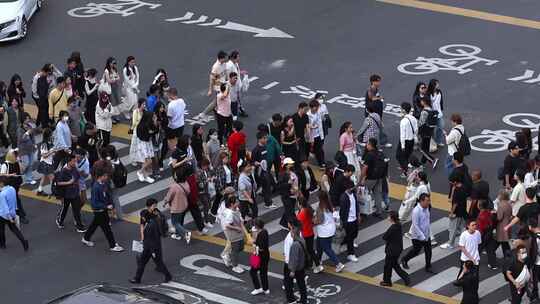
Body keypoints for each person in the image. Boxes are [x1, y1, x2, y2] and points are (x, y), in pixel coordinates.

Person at [130, 198, 172, 284]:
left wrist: (152, 250)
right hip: (150, 245)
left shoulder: (151, 225)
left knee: (158, 262)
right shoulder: (150, 219)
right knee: (144, 262)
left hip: (152, 246)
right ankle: (137, 278)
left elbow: (153, 238)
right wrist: (143, 238)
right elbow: (143, 226)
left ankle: (168, 275)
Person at [82, 169, 124, 252]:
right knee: (107, 229)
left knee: (95, 224)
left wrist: (111, 204)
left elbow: (107, 195)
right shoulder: (96, 187)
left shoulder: (103, 184)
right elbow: (94, 203)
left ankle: (86, 238)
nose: (107, 177)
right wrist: (106, 206)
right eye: (105, 176)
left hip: (103, 209)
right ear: (100, 177)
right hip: (99, 210)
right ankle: (112, 245)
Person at [401, 193, 435, 274]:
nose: (429, 202)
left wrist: (427, 234)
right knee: (416, 251)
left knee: (428, 250)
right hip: (417, 236)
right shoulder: (416, 211)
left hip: (426, 234)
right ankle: (404, 259)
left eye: (429, 200)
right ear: (421, 201)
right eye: (427, 201)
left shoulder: (427, 207)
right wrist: (422, 237)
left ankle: (428, 266)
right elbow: (415, 225)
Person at [314, 192, 345, 272]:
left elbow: (320, 221)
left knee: (327, 249)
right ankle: (318, 262)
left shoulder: (320, 208)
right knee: (319, 246)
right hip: (331, 229)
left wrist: (313, 221)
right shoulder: (329, 204)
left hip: (324, 232)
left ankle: (338, 264)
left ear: (320, 198)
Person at [55, 154, 86, 232]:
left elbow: (78, 178)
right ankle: (59, 221)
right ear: (69, 162)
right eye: (74, 161)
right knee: (65, 209)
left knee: (77, 209)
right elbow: (58, 183)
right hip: (67, 194)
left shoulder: (75, 168)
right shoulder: (63, 171)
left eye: (75, 161)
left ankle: (79, 226)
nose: (75, 163)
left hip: (75, 193)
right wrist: (69, 182)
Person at [195, 50, 228, 122]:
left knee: (219, 101)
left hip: (224, 85)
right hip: (218, 87)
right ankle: (203, 113)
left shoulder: (224, 64)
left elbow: (225, 74)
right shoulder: (215, 67)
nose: (227, 59)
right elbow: (212, 78)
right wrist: (210, 89)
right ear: (221, 58)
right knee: (216, 101)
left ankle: (215, 111)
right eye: (225, 58)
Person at [380, 211, 410, 287]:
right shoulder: (398, 225)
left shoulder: (392, 228)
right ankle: (406, 277)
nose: (387, 217)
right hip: (398, 249)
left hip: (391, 250)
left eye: (389, 216)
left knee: (387, 266)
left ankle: (387, 281)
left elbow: (385, 237)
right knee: (394, 265)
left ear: (392, 218)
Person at [360, 138, 387, 217]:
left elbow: (364, 168)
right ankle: (379, 211)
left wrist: (361, 179)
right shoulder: (379, 153)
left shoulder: (369, 155)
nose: (366, 145)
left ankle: (363, 211)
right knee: (377, 194)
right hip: (380, 177)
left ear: (370, 145)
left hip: (371, 178)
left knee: (363, 194)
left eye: (367, 144)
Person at [0, 176, 28, 251]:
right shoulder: (12, 189)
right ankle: (24, 241)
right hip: (12, 213)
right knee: (15, 229)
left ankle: (2, 244)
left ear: (2, 183)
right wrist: (15, 211)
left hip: (3, 215)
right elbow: (15, 200)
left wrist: (9, 218)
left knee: (1, 230)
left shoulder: (2, 194)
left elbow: (5, 208)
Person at [440, 174, 468, 250]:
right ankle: (465, 243)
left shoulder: (457, 190)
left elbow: (454, 203)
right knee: (463, 227)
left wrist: (451, 213)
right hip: (463, 211)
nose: (450, 183)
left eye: (451, 182)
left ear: (455, 182)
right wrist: (453, 189)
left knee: (453, 228)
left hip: (457, 213)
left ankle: (450, 244)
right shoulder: (463, 187)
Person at [283, 218, 308, 304]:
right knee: (301, 283)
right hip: (301, 266)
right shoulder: (300, 236)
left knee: (288, 283)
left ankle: (291, 300)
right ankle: (304, 299)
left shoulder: (294, 243)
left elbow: (294, 258)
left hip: (291, 265)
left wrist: (292, 270)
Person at [164, 167, 192, 243]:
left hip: (176, 208)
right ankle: (177, 234)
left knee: (175, 223)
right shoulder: (186, 183)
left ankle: (186, 233)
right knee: (180, 221)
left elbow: (168, 197)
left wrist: (165, 202)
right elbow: (188, 192)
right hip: (184, 205)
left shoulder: (174, 186)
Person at [0, 150, 27, 224]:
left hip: (16, 184)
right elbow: (1, 175)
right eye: (15, 156)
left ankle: (14, 214)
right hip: (9, 186)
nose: (16, 157)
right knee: (16, 200)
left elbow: (23, 170)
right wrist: (11, 175)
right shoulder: (5, 165)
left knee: (14, 200)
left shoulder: (16, 163)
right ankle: (21, 215)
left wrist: (19, 162)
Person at [364, 74, 391, 148]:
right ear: (373, 82)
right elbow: (372, 98)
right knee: (372, 129)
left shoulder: (376, 88)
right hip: (371, 113)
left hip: (377, 111)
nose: (379, 83)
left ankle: (382, 142)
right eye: (378, 81)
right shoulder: (370, 89)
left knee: (379, 127)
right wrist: (379, 98)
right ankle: (371, 144)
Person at [297, 197, 322, 273]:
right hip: (310, 232)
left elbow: (297, 223)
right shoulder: (308, 210)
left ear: (300, 204)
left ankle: (317, 265)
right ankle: (311, 264)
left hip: (305, 234)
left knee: (309, 250)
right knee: (310, 249)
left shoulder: (302, 213)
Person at [251, 130, 274, 208]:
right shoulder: (255, 150)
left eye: (266, 138)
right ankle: (268, 203)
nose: (266, 140)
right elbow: (252, 162)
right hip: (260, 171)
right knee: (267, 186)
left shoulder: (265, 147)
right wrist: (258, 163)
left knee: (267, 186)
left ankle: (266, 199)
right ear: (259, 139)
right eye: (264, 138)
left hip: (266, 169)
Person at [223, 195, 245, 274]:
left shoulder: (236, 209)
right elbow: (227, 225)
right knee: (236, 249)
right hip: (234, 234)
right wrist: (237, 228)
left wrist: (241, 221)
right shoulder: (230, 213)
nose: (238, 203)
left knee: (241, 247)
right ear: (232, 204)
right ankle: (235, 266)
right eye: (237, 202)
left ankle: (229, 254)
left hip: (239, 232)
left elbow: (239, 217)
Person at [339, 179, 360, 262]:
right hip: (348, 220)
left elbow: (356, 205)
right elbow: (342, 211)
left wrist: (358, 214)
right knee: (351, 237)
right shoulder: (343, 197)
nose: (352, 189)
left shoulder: (353, 195)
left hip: (354, 218)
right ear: (347, 188)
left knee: (355, 233)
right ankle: (350, 254)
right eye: (351, 187)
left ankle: (344, 242)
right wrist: (344, 221)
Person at [135, 111, 158, 184]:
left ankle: (145, 176)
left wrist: (155, 123)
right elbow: (144, 136)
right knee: (149, 161)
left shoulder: (149, 124)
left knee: (146, 161)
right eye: (153, 117)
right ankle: (140, 172)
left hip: (147, 143)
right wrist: (150, 133)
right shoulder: (142, 126)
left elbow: (155, 131)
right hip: (143, 144)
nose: (154, 118)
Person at [397, 102, 418, 178]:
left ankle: (406, 171)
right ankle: (405, 167)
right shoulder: (413, 118)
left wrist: (402, 146)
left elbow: (402, 135)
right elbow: (416, 130)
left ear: (404, 110)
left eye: (401, 109)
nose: (400, 110)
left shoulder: (403, 121)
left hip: (405, 141)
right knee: (407, 155)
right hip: (411, 140)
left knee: (399, 156)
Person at [250, 219, 270, 295]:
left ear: (257, 226)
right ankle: (266, 289)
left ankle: (258, 288)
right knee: (263, 272)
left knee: (252, 271)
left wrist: (254, 243)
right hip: (266, 255)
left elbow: (260, 247)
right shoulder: (265, 231)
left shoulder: (260, 234)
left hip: (259, 256)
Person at [418, 97, 439, 168]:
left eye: (421, 101)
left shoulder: (424, 112)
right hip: (430, 131)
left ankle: (433, 160)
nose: (421, 102)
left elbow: (421, 122)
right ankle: (422, 162)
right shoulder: (431, 109)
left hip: (424, 131)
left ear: (424, 102)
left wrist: (417, 131)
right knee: (426, 147)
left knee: (422, 149)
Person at [279, 158, 299, 228]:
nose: (292, 164)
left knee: (289, 209)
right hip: (287, 195)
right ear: (286, 165)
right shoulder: (282, 174)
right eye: (290, 163)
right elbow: (280, 186)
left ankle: (283, 222)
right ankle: (292, 224)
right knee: (290, 210)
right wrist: (288, 183)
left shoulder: (292, 172)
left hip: (293, 194)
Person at [476, 201, 498, 269]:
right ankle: (493, 264)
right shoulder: (489, 213)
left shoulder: (480, 216)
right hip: (490, 232)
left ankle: (475, 261)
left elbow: (480, 228)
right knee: (490, 249)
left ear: (480, 206)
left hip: (483, 234)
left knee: (478, 248)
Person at [17, 112, 37, 185]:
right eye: (26, 119)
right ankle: (21, 174)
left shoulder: (30, 127)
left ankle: (29, 178)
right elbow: (20, 139)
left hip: (30, 148)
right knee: (26, 164)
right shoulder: (20, 129)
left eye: (28, 118)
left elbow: (33, 137)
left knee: (31, 163)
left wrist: (34, 143)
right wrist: (27, 133)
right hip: (23, 150)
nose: (28, 120)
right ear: (23, 120)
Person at [307, 99, 326, 167]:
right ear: (312, 107)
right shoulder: (308, 115)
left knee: (320, 150)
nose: (318, 108)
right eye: (316, 107)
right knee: (315, 150)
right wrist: (313, 127)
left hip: (319, 134)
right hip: (312, 136)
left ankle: (322, 163)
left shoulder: (318, 112)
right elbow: (308, 127)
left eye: (318, 107)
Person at [36, 128, 55, 196]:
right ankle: (55, 191)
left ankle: (39, 190)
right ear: (49, 135)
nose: (52, 135)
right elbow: (44, 155)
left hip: (48, 162)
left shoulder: (49, 142)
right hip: (46, 163)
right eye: (51, 134)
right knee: (53, 178)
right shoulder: (44, 144)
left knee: (44, 177)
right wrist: (51, 151)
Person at [103, 57, 122, 123]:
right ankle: (111, 117)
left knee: (116, 101)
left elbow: (118, 77)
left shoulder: (114, 69)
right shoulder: (106, 71)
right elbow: (108, 81)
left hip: (115, 87)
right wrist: (115, 79)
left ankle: (115, 115)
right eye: (112, 63)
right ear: (109, 63)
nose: (113, 64)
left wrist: (114, 79)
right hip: (109, 88)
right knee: (111, 102)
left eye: (114, 63)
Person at [427, 79, 445, 147]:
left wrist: (441, 109)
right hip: (431, 114)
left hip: (438, 113)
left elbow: (441, 101)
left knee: (441, 126)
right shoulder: (428, 94)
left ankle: (438, 141)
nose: (438, 85)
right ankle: (430, 142)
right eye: (437, 84)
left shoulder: (439, 91)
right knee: (431, 129)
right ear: (433, 85)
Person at [495, 190, 513, 257]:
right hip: (507, 224)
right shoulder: (509, 204)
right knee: (504, 242)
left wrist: (496, 213)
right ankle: (508, 256)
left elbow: (499, 217)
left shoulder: (500, 205)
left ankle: (491, 252)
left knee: (502, 241)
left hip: (501, 226)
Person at [122, 56, 139, 120]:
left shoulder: (135, 68)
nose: (133, 63)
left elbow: (137, 77)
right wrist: (134, 87)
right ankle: (125, 111)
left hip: (134, 86)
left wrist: (136, 84)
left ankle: (133, 113)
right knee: (130, 102)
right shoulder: (125, 70)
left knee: (135, 101)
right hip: (128, 88)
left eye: (134, 62)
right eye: (132, 62)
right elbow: (127, 81)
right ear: (128, 62)